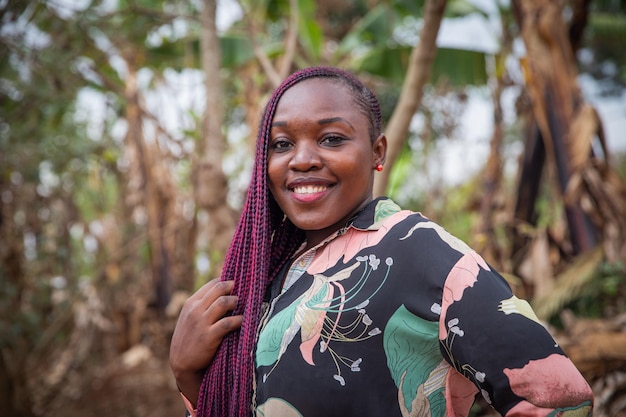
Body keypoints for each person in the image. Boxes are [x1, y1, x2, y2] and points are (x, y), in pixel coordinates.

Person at [169, 66, 594, 417]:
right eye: (282, 144)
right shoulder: (271, 275)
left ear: (377, 151)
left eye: (331, 138)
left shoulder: (420, 252)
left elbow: (563, 402)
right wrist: (187, 372)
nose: (301, 159)